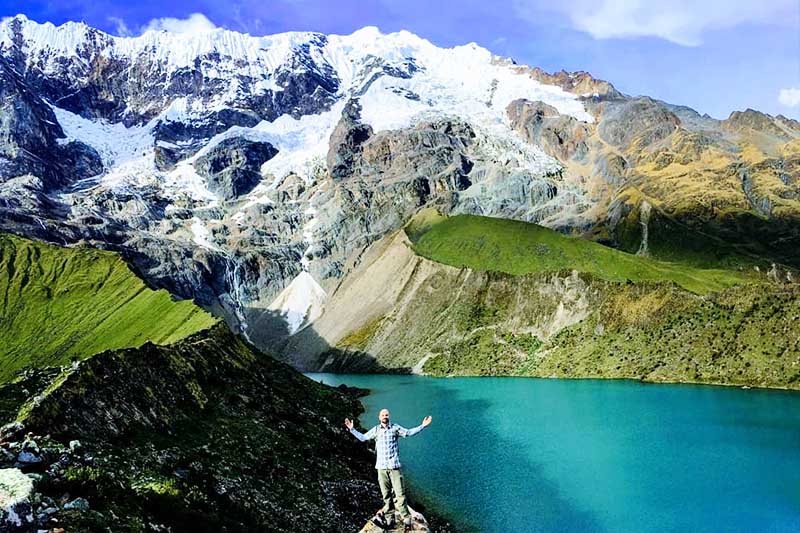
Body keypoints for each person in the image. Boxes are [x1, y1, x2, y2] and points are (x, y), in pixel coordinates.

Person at [345, 409, 432, 530]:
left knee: (400, 494)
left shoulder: (395, 428)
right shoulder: (376, 430)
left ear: (388, 416)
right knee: (386, 496)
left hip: (394, 467)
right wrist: (352, 429)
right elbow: (363, 438)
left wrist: (423, 426)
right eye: (382, 415)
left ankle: (407, 520)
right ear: (379, 417)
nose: (385, 416)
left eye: (386, 414)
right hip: (381, 468)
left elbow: (408, 432)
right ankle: (390, 520)